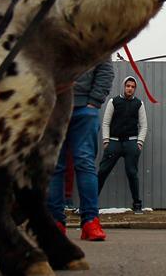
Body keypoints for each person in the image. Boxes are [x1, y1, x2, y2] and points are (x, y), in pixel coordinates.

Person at [48, 59, 114, 241]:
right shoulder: (50, 33)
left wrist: (94, 101)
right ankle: (56, 222)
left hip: (84, 109)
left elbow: (105, 69)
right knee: (55, 167)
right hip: (54, 108)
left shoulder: (94, 33)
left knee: (84, 164)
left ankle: (90, 221)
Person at [97, 76, 148, 214]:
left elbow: (144, 126)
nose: (130, 88)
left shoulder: (139, 104)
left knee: (132, 173)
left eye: (132, 87)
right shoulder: (114, 101)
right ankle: (89, 204)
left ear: (135, 89)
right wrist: (106, 140)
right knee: (102, 172)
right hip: (114, 142)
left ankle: (137, 204)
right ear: (124, 86)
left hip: (131, 143)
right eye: (128, 86)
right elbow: (106, 123)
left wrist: (139, 142)